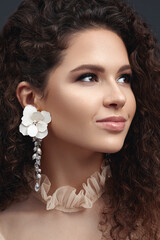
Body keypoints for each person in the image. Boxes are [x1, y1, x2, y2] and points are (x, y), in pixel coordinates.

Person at [0, 0, 160, 239]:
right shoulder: (5, 227)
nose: (118, 97)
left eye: (124, 78)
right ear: (32, 98)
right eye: (88, 77)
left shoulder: (153, 214)